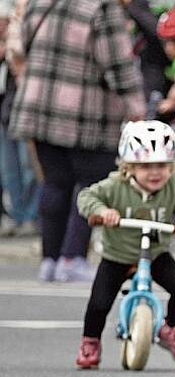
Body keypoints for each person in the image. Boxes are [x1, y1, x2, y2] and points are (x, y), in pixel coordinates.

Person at [8, 0, 145, 282]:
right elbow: (118, 64)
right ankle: (72, 258)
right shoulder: (102, 8)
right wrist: (136, 108)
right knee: (92, 185)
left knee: (55, 182)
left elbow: (18, 46)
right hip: (86, 110)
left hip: (40, 107)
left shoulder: (40, 2)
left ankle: (50, 259)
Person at [74, 120, 175, 369]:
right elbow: (86, 197)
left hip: (155, 253)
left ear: (173, 166)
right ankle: (91, 341)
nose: (155, 173)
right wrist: (103, 211)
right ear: (128, 167)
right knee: (99, 302)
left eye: (162, 166)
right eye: (145, 166)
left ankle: (172, 329)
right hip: (118, 254)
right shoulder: (114, 186)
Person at [0, 0, 38, 238]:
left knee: (29, 167)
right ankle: (18, 215)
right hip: (8, 108)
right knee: (9, 168)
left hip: (28, 107)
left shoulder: (33, 27)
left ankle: (31, 216)